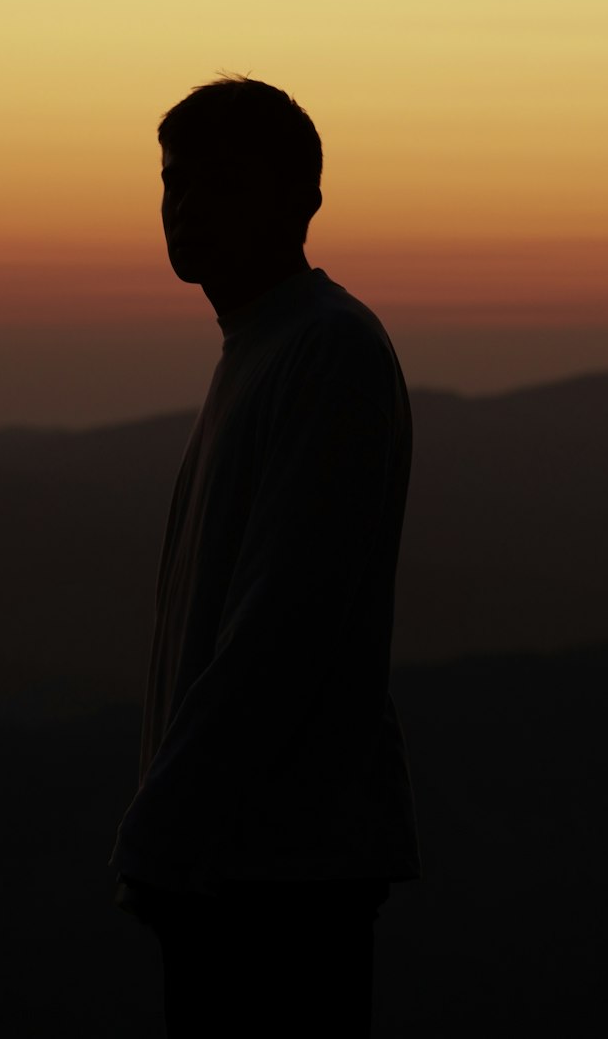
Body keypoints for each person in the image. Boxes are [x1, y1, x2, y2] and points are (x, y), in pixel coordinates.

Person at [108, 74, 420, 1037]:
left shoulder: (327, 352)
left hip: (281, 872)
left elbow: (284, 620)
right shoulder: (261, 348)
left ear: (301, 199)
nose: (187, 206)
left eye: (220, 183)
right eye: (174, 182)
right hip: (235, 859)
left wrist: (166, 825)